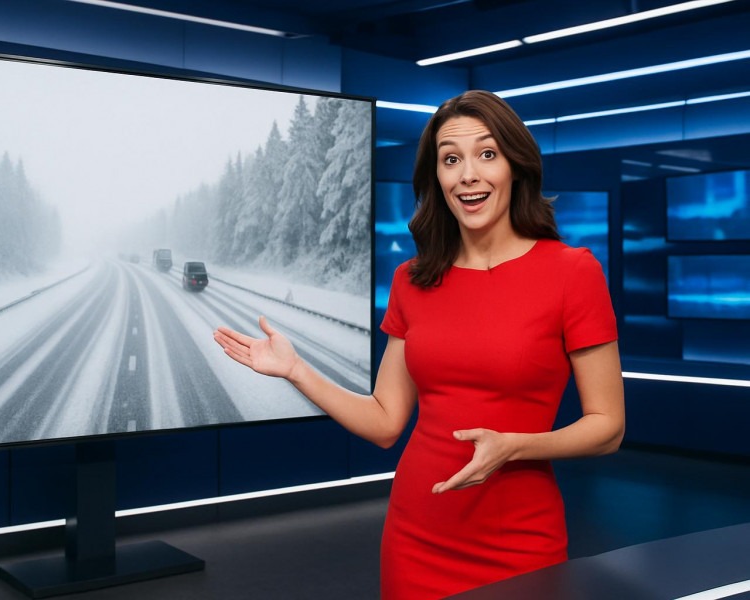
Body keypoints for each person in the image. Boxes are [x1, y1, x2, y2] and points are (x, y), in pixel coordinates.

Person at [212, 90, 625, 599]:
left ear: (516, 166)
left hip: (520, 540)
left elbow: (607, 428)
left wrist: (517, 446)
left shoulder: (572, 273)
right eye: (451, 159)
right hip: (418, 533)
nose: (468, 174)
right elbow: (386, 422)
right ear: (437, 179)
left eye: (487, 154)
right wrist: (299, 371)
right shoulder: (413, 279)